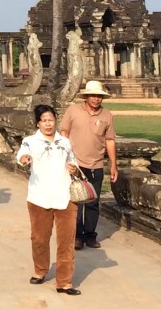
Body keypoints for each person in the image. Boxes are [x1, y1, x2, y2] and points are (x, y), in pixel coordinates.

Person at [17, 104, 81, 295]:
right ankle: (40, 270)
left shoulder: (65, 142)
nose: (48, 124)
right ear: (38, 123)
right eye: (43, 121)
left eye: (50, 120)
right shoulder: (30, 141)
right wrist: (24, 159)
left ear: (55, 120)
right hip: (39, 196)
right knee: (39, 238)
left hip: (65, 196)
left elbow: (73, 161)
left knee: (66, 241)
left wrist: (73, 168)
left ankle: (64, 282)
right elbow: (21, 154)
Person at [59, 80, 117, 250]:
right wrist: (65, 159)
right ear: (86, 96)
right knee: (76, 200)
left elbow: (110, 140)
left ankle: (90, 235)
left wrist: (113, 165)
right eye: (93, 95)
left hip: (96, 164)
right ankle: (77, 235)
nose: (96, 99)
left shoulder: (107, 116)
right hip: (75, 164)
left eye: (99, 96)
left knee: (93, 201)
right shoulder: (73, 111)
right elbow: (64, 134)